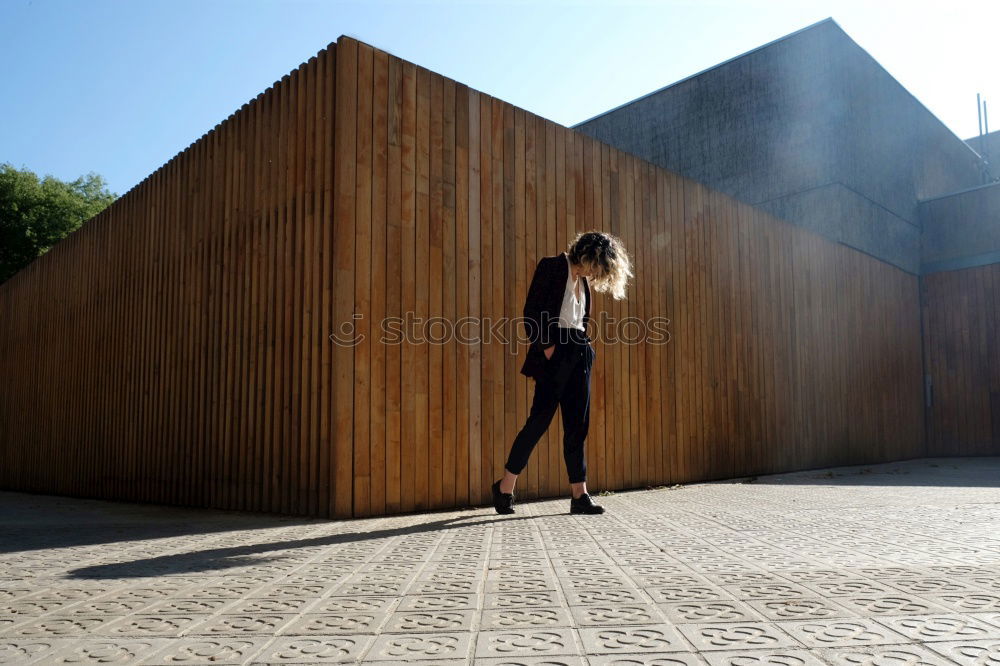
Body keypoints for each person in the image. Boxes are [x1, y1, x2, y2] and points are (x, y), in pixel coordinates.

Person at [492, 231, 633, 515]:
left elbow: (581, 320)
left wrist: (585, 351)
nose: (597, 274)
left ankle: (579, 495)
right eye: (597, 266)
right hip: (554, 350)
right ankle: (505, 486)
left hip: (580, 350)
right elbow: (532, 311)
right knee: (539, 420)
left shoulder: (584, 282)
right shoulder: (552, 266)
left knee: (577, 425)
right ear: (587, 256)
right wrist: (547, 348)